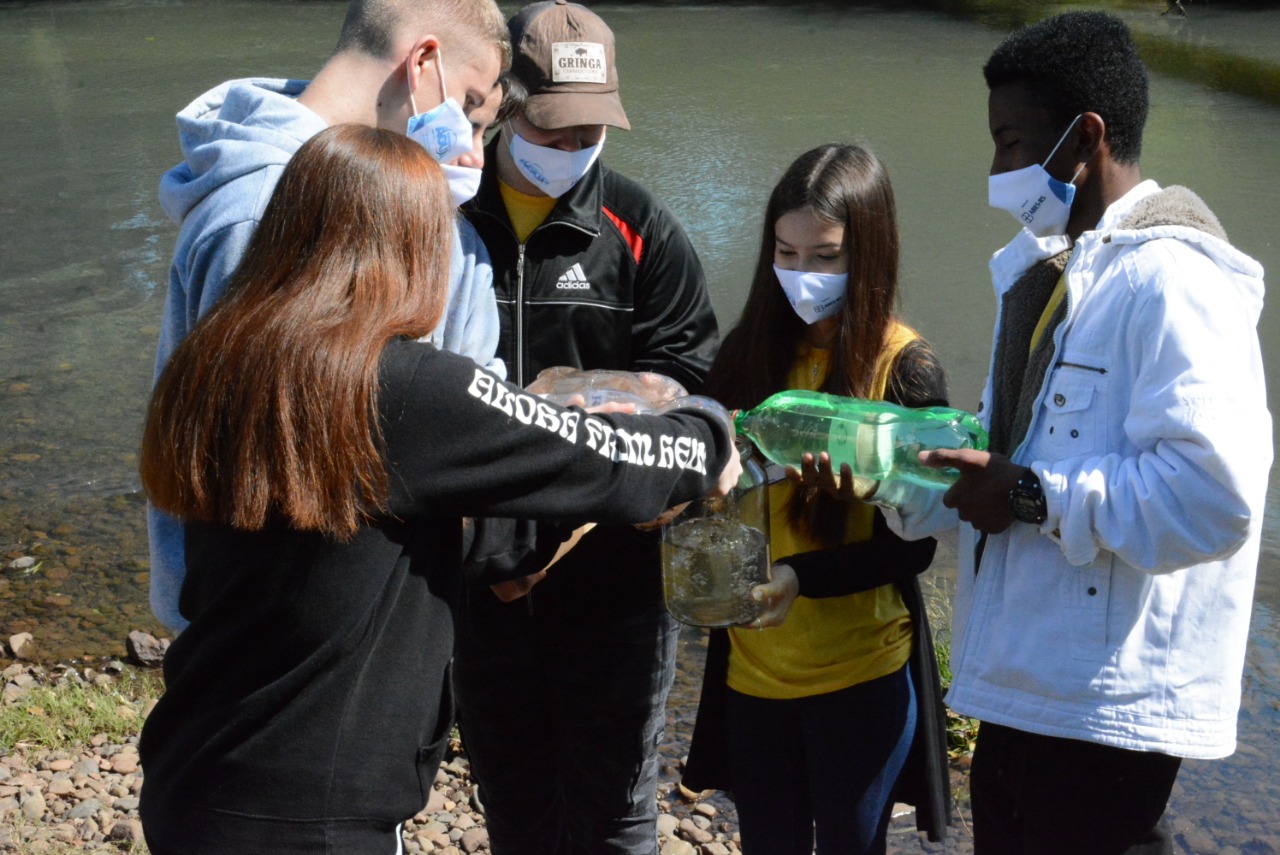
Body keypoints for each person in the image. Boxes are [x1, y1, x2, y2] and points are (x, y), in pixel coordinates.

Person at [136, 124, 740, 855]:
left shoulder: (221, 364)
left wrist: (528, 532)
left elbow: (365, 544)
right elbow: (608, 461)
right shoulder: (405, 388)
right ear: (410, 251)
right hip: (316, 816)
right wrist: (707, 434)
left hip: (193, 772)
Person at [899, 12, 1271, 854]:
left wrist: (1031, 495)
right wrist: (901, 471)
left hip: (1107, 717)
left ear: (1087, 137)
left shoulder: (1175, 281)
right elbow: (1012, 461)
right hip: (1028, 693)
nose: (996, 170)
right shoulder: (1054, 279)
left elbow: (1214, 497)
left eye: (1011, 142)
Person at [148, 0, 511, 633]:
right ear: (423, 62)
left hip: (382, 615)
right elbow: (251, 463)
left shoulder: (433, 211)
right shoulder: (263, 210)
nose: (475, 157)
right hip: (279, 631)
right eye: (471, 109)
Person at [451, 2, 721, 852]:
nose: (571, 147)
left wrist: (582, 517)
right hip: (479, 582)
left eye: (590, 130)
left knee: (616, 813)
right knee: (513, 801)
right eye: (552, 128)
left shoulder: (641, 230)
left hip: (614, 584)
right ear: (504, 103)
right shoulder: (445, 212)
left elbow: (692, 389)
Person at [679, 144, 953, 854]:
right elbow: (710, 488)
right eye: (786, 252)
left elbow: (914, 548)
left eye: (826, 256)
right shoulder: (745, 354)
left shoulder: (904, 368)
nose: (803, 274)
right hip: (753, 673)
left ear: (869, 253)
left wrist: (802, 577)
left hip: (860, 675)